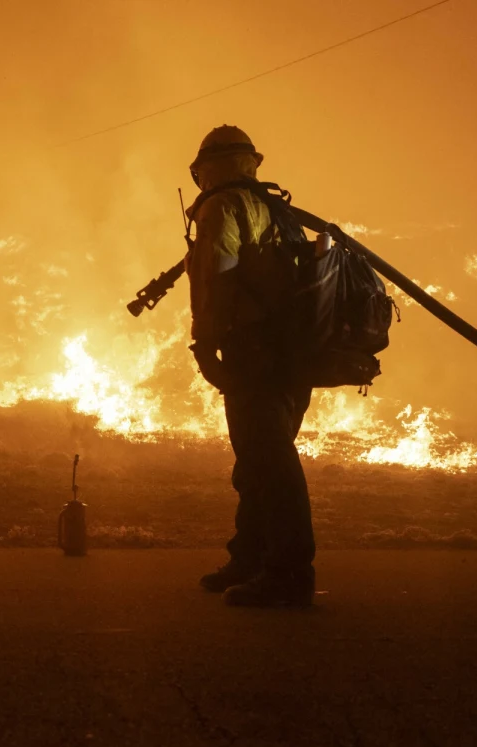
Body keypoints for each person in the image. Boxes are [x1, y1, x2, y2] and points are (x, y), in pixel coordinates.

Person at [186, 125, 316, 607]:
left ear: (209, 169)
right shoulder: (275, 208)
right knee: (258, 460)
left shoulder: (222, 206)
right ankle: (252, 557)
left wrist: (204, 345)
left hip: (255, 351)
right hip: (293, 353)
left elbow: (214, 276)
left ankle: (287, 573)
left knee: (268, 460)